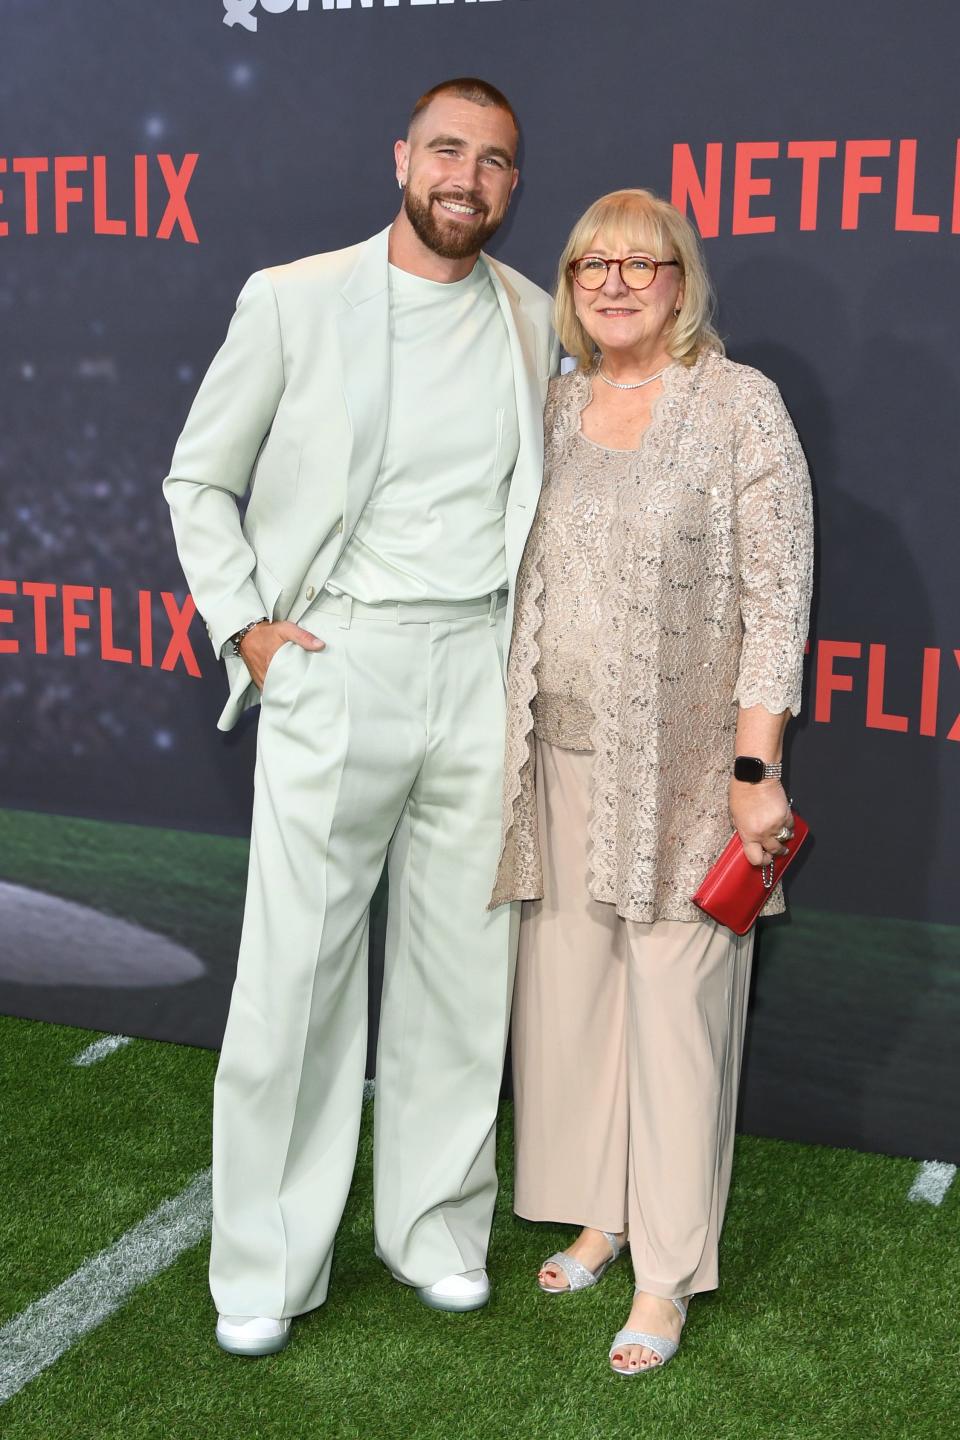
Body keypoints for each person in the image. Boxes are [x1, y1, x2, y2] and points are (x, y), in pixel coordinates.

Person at [163, 78, 558, 1356]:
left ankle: (436, 1230)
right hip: (341, 659)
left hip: (480, 669)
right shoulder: (292, 298)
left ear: (512, 186)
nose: (468, 178)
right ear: (402, 156)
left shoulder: (531, 318)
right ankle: (265, 1264)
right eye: (448, 150)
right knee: (297, 977)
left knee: (462, 974)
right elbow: (197, 476)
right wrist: (252, 633)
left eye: (494, 162)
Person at [490, 189, 813, 1376]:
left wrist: (753, 767)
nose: (617, 283)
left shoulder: (739, 409)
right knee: (573, 1002)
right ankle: (602, 1213)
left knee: (676, 1019)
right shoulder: (554, 406)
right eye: (593, 266)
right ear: (570, 287)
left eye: (644, 263)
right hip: (560, 760)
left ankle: (668, 1274)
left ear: (683, 282)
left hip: (688, 779)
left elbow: (779, 603)